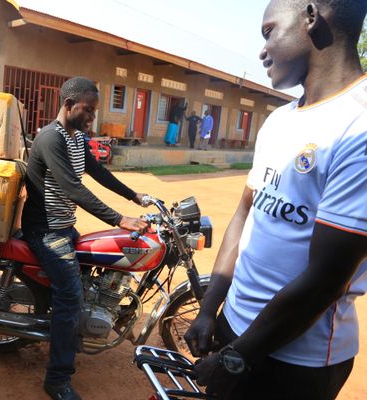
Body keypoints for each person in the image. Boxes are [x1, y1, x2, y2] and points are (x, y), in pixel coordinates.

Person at [185, 1, 367, 399]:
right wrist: (209, 307)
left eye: (269, 32)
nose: (262, 50)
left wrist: (238, 357)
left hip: (296, 361)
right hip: (235, 330)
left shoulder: (360, 125)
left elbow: (326, 281)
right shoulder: (279, 119)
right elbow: (245, 213)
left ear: (311, 16)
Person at [21, 76, 149, 400]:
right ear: (68, 105)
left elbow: (98, 172)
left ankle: (71, 331)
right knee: (70, 295)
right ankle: (57, 379)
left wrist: (134, 195)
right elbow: (74, 189)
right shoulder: (51, 138)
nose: (93, 117)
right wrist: (120, 219)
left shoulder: (76, 137)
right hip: (46, 231)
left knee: (95, 272)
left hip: (65, 226)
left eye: (94, 110)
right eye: (88, 110)